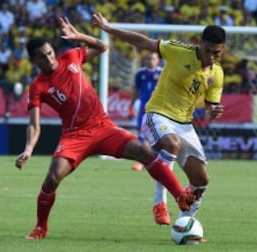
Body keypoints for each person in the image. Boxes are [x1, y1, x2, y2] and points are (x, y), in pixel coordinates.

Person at [15, 17, 197, 240]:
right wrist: (28, 149)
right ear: (34, 60)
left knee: (145, 152)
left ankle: (180, 196)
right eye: (43, 57)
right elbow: (34, 123)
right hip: (75, 136)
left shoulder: (71, 56)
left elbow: (102, 46)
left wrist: (79, 36)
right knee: (52, 178)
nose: (49, 59)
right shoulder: (37, 87)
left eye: (50, 52)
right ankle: (40, 227)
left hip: (103, 127)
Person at [93, 13, 225, 228]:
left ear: (222, 50)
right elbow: (141, 41)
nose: (211, 57)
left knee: (201, 179)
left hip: (184, 123)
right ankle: (159, 203)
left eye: (216, 53)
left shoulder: (217, 74)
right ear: (199, 43)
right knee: (171, 144)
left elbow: (211, 105)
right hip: (157, 114)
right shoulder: (179, 51)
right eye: (208, 51)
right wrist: (109, 29)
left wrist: (214, 110)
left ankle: (186, 223)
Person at [129, 52, 162, 171]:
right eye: (148, 58)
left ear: (158, 60)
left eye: (153, 58)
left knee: (158, 135)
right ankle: (141, 161)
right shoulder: (140, 73)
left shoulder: (162, 73)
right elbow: (136, 91)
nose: (151, 61)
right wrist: (131, 106)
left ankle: (158, 160)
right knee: (142, 135)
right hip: (143, 108)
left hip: (158, 108)